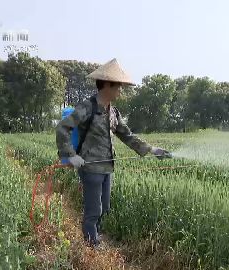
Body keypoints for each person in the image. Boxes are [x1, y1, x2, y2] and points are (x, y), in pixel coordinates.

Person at [56, 58, 170, 248]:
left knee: (105, 208)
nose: (121, 90)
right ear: (107, 85)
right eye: (118, 86)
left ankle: (94, 238)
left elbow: (127, 135)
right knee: (94, 210)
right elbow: (62, 128)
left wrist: (152, 149)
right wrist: (70, 155)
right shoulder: (87, 107)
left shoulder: (113, 112)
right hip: (90, 167)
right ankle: (91, 246)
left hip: (108, 167)